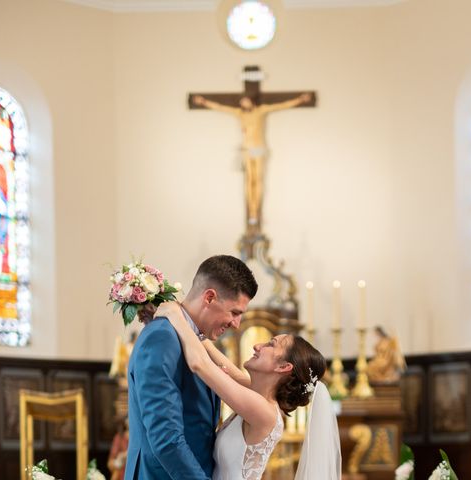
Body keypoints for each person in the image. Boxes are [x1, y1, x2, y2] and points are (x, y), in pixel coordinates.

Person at [155, 300, 341, 480]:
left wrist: (175, 315)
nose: (257, 345)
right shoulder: (258, 394)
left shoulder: (264, 411)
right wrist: (190, 318)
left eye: (271, 344)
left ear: (283, 367)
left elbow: (199, 364)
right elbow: (227, 367)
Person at [124, 255, 258, 480]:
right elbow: (166, 439)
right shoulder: (161, 338)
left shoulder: (198, 342)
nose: (236, 324)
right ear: (209, 297)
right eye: (234, 312)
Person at [193, 93, 312, 233]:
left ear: (251, 101)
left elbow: (281, 105)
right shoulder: (239, 113)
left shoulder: (261, 110)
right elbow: (221, 107)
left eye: (246, 101)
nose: (244, 105)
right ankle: (252, 210)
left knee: (258, 180)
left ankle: (257, 210)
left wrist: (299, 100)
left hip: (259, 148)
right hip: (247, 150)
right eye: (242, 103)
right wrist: (204, 102)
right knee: (250, 181)